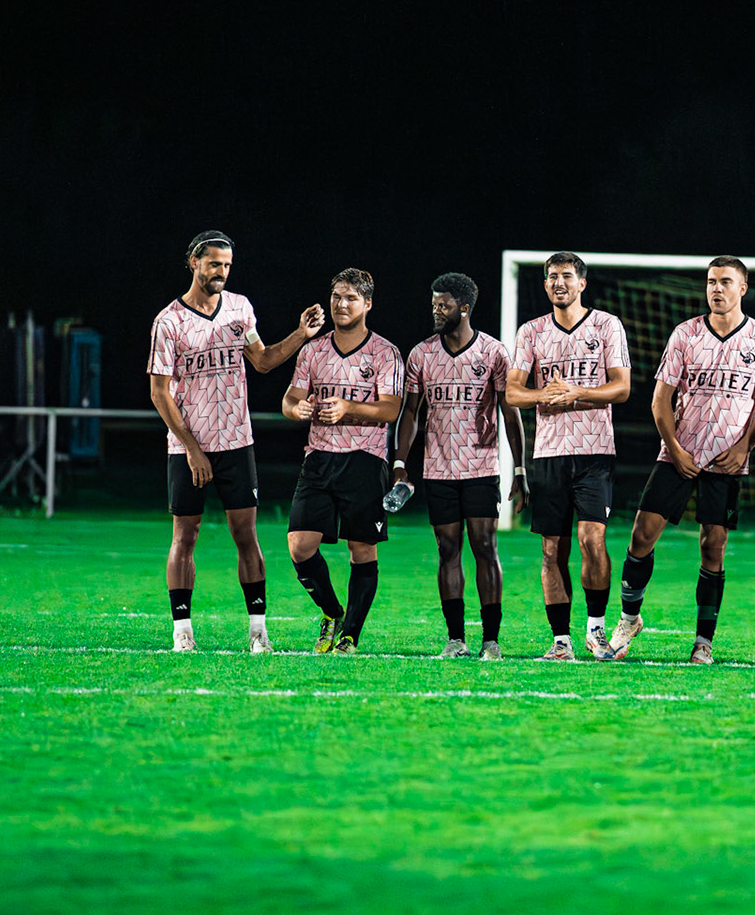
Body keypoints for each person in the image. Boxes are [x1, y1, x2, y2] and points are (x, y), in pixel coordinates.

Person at [147, 230, 321, 653]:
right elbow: (159, 392)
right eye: (213, 264)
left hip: (237, 442)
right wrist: (190, 447)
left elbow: (261, 360)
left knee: (247, 535)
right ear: (193, 263)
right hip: (188, 447)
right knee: (184, 536)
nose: (221, 272)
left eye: (226, 265)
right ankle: (182, 633)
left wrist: (300, 334)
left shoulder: (240, 309)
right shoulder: (168, 321)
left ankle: (259, 632)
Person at [603, 257, 755, 665]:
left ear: (743, 288)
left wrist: (743, 449)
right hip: (678, 454)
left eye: (725, 282)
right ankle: (630, 619)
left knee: (713, 547)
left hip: (727, 462)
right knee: (641, 536)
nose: (716, 289)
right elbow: (660, 399)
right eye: (710, 282)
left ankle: (703, 642)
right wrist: (675, 447)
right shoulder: (685, 334)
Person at [506, 253, 632, 660]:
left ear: (582, 284)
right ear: (545, 286)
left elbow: (622, 387)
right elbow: (512, 392)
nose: (559, 283)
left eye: (566, 276)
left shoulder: (605, 325)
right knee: (550, 550)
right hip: (548, 454)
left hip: (595, 451)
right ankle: (561, 640)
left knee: (591, 540)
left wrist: (578, 393)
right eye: (552, 277)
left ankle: (596, 630)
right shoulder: (531, 332)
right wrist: (543, 394)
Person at [395, 273, 524, 660]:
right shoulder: (420, 354)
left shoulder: (494, 353)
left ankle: (491, 641)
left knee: (485, 546)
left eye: (444, 304)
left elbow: (510, 413)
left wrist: (519, 470)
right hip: (438, 470)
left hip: (482, 467)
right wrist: (400, 464)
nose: (436, 310)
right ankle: (455, 639)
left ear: (464, 308)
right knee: (447, 549)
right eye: (434, 303)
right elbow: (410, 413)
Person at [282, 269, 405, 654]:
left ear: (367, 304)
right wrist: (296, 408)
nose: (341, 304)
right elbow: (288, 400)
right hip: (319, 457)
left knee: (361, 550)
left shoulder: (385, 353)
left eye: (351, 297)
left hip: (365, 460)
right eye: (336, 296)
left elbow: (391, 408)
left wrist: (348, 406)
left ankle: (350, 635)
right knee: (300, 545)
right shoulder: (313, 350)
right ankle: (332, 612)